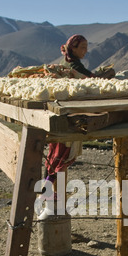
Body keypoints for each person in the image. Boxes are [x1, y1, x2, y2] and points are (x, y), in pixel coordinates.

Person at [44, 35, 115, 195]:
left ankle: (48, 187)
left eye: (86, 47)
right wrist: (108, 74)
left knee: (55, 152)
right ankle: (52, 192)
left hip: (61, 110)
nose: (85, 51)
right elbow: (91, 81)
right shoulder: (74, 64)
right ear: (73, 48)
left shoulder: (65, 62)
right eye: (82, 47)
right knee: (63, 152)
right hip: (71, 113)